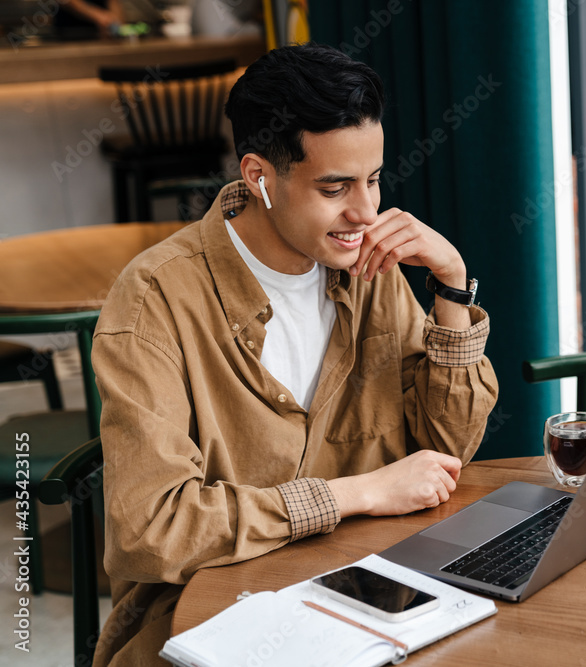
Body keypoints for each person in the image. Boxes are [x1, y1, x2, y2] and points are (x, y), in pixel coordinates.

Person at [91, 43, 499, 666]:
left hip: (365, 598)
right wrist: (354, 494)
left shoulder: (372, 269)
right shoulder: (155, 300)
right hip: (208, 625)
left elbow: (446, 446)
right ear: (260, 177)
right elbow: (152, 528)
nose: (365, 212)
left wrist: (450, 285)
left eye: (374, 179)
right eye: (335, 187)